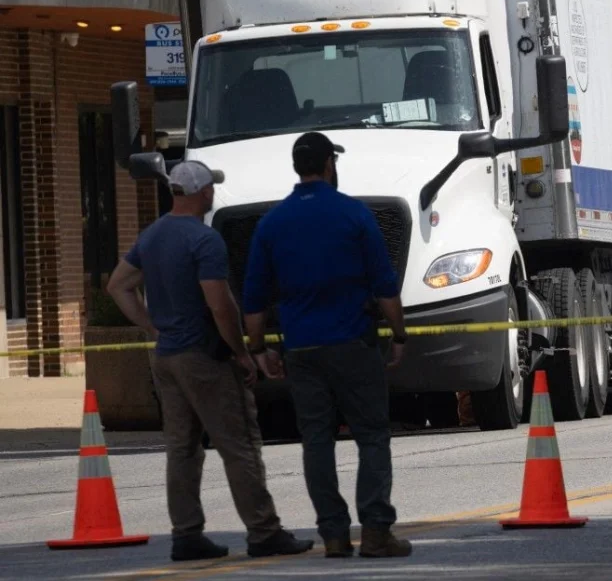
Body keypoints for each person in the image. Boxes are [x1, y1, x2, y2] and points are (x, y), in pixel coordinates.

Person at [106, 160, 314, 562]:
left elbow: (118, 286)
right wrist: (242, 353)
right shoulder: (204, 240)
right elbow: (220, 305)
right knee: (240, 445)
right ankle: (263, 531)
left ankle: (186, 535)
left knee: (182, 449)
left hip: (166, 358)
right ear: (203, 192)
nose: (213, 193)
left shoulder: (151, 236)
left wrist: (153, 328)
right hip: (204, 357)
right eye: (211, 188)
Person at [241, 131, 412, 559]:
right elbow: (385, 286)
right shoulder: (353, 214)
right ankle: (375, 531)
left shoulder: (272, 223)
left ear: (297, 167)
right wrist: (399, 334)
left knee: (316, 440)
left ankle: (334, 535)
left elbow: (255, 298)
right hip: (353, 343)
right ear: (329, 164)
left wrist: (259, 349)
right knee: (371, 435)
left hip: (301, 350)